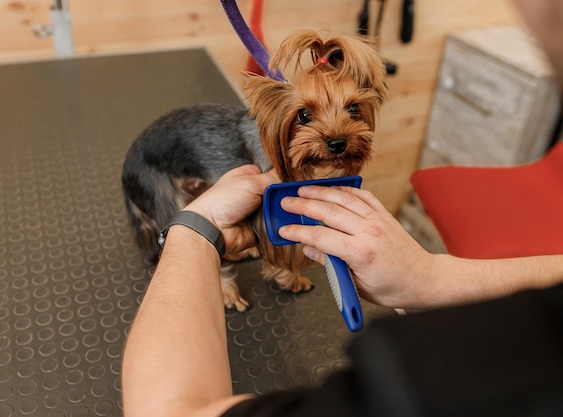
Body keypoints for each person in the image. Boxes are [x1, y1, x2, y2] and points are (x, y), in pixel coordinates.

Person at [121, 1, 563, 416]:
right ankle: (222, 278)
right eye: (308, 117)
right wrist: (430, 278)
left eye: (353, 110)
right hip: (157, 166)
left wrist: (197, 230)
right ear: (274, 116)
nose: (337, 134)